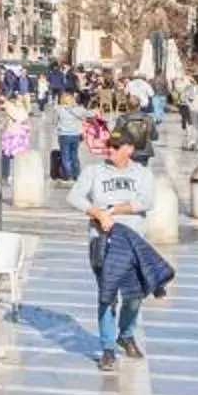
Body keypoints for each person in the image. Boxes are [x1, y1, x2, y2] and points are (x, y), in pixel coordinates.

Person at [69, 123, 162, 369]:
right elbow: (74, 196)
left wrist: (116, 209)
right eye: (109, 146)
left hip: (133, 242)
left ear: (129, 149)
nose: (110, 150)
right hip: (102, 242)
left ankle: (126, 333)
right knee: (107, 296)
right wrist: (97, 213)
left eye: (116, 147)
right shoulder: (94, 171)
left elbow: (147, 201)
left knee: (134, 296)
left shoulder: (142, 173)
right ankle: (108, 348)